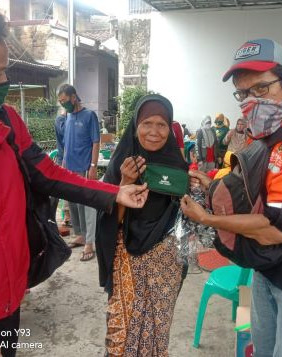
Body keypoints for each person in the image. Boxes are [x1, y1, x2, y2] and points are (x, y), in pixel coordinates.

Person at [0, 3, 148, 357]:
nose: (5, 83)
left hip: (8, 304)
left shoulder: (6, 122)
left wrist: (114, 193)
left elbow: (48, 173)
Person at [181, 38, 282, 357]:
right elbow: (254, 194)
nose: (251, 101)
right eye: (243, 93)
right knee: (263, 348)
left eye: (261, 89)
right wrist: (211, 183)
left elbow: (281, 228)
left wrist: (207, 218)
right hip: (267, 262)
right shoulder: (263, 138)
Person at [97, 94, 189, 357]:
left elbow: (185, 213)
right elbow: (110, 220)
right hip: (128, 259)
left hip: (166, 262)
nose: (154, 132)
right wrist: (124, 183)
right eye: (147, 123)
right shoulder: (121, 162)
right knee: (122, 335)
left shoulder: (176, 163)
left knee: (157, 330)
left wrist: (193, 192)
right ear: (135, 126)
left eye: (162, 124)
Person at [58, 84, 100, 262]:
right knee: (74, 205)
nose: (63, 104)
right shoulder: (67, 116)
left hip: (84, 167)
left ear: (73, 97)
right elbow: (66, 144)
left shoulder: (89, 116)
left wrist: (93, 166)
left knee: (88, 206)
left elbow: (96, 142)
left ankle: (90, 242)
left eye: (64, 100)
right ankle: (81, 235)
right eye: (60, 101)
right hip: (69, 168)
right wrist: (63, 165)